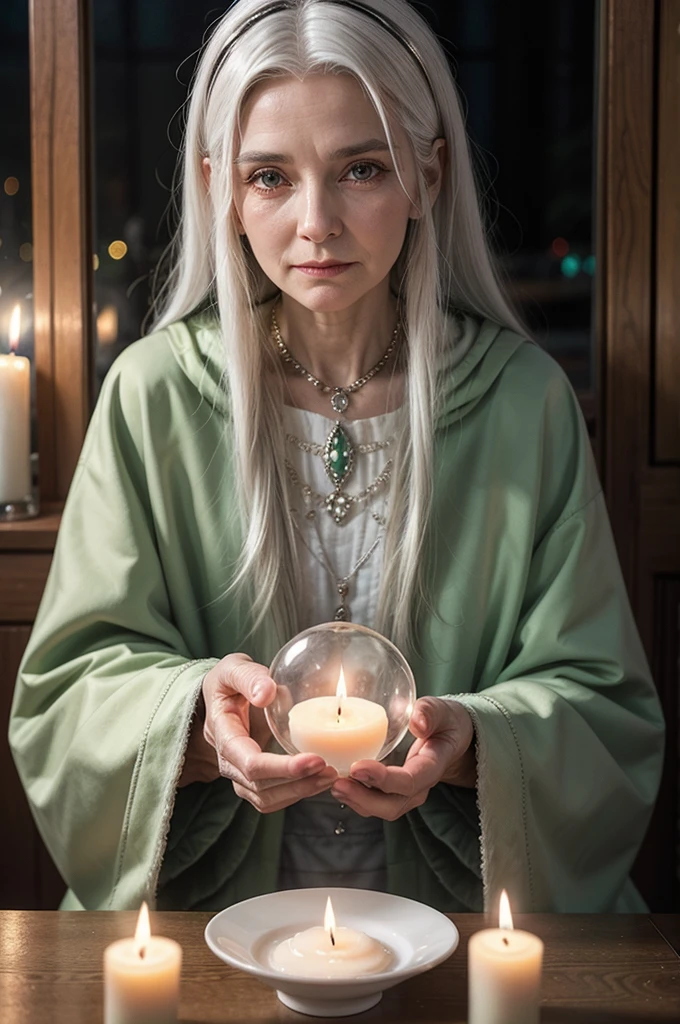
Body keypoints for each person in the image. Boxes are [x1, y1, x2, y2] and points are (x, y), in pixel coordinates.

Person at [9, 0, 663, 914]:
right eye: (271, 176)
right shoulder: (153, 395)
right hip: (206, 931)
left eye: (362, 168)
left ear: (428, 175)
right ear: (219, 193)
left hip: (464, 928)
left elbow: (602, 710)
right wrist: (202, 724)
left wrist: (472, 741)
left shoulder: (524, 403)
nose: (317, 222)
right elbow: (70, 695)